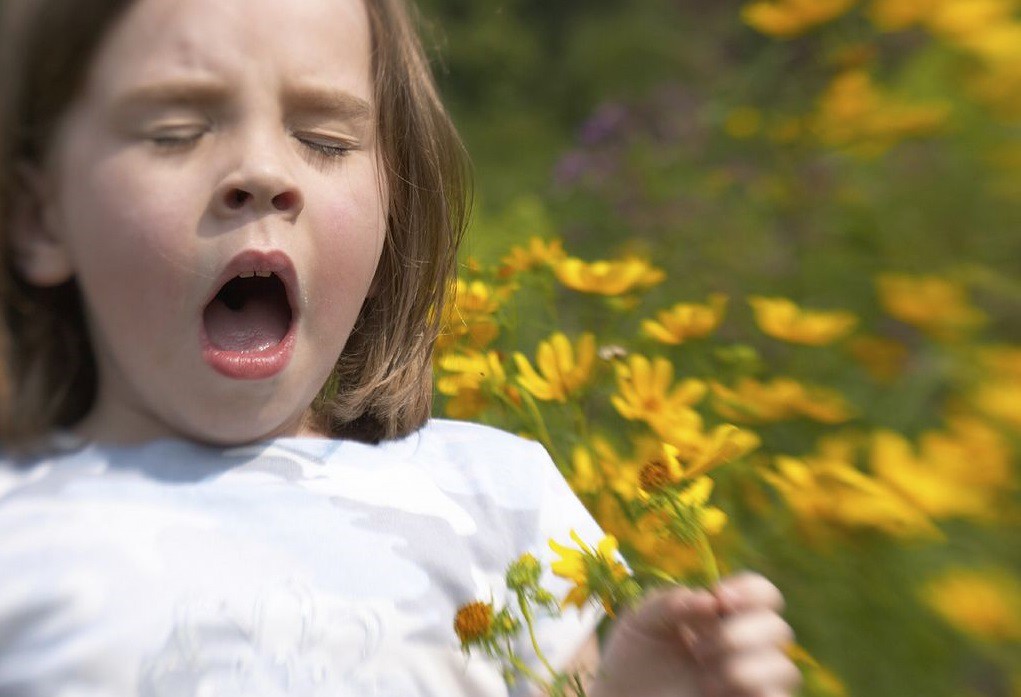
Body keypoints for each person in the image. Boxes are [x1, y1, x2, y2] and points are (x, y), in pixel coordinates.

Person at [0, 0, 801, 694]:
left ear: (394, 200)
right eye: (175, 131)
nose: (263, 173)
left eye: (323, 138)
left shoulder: (493, 498)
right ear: (40, 216)